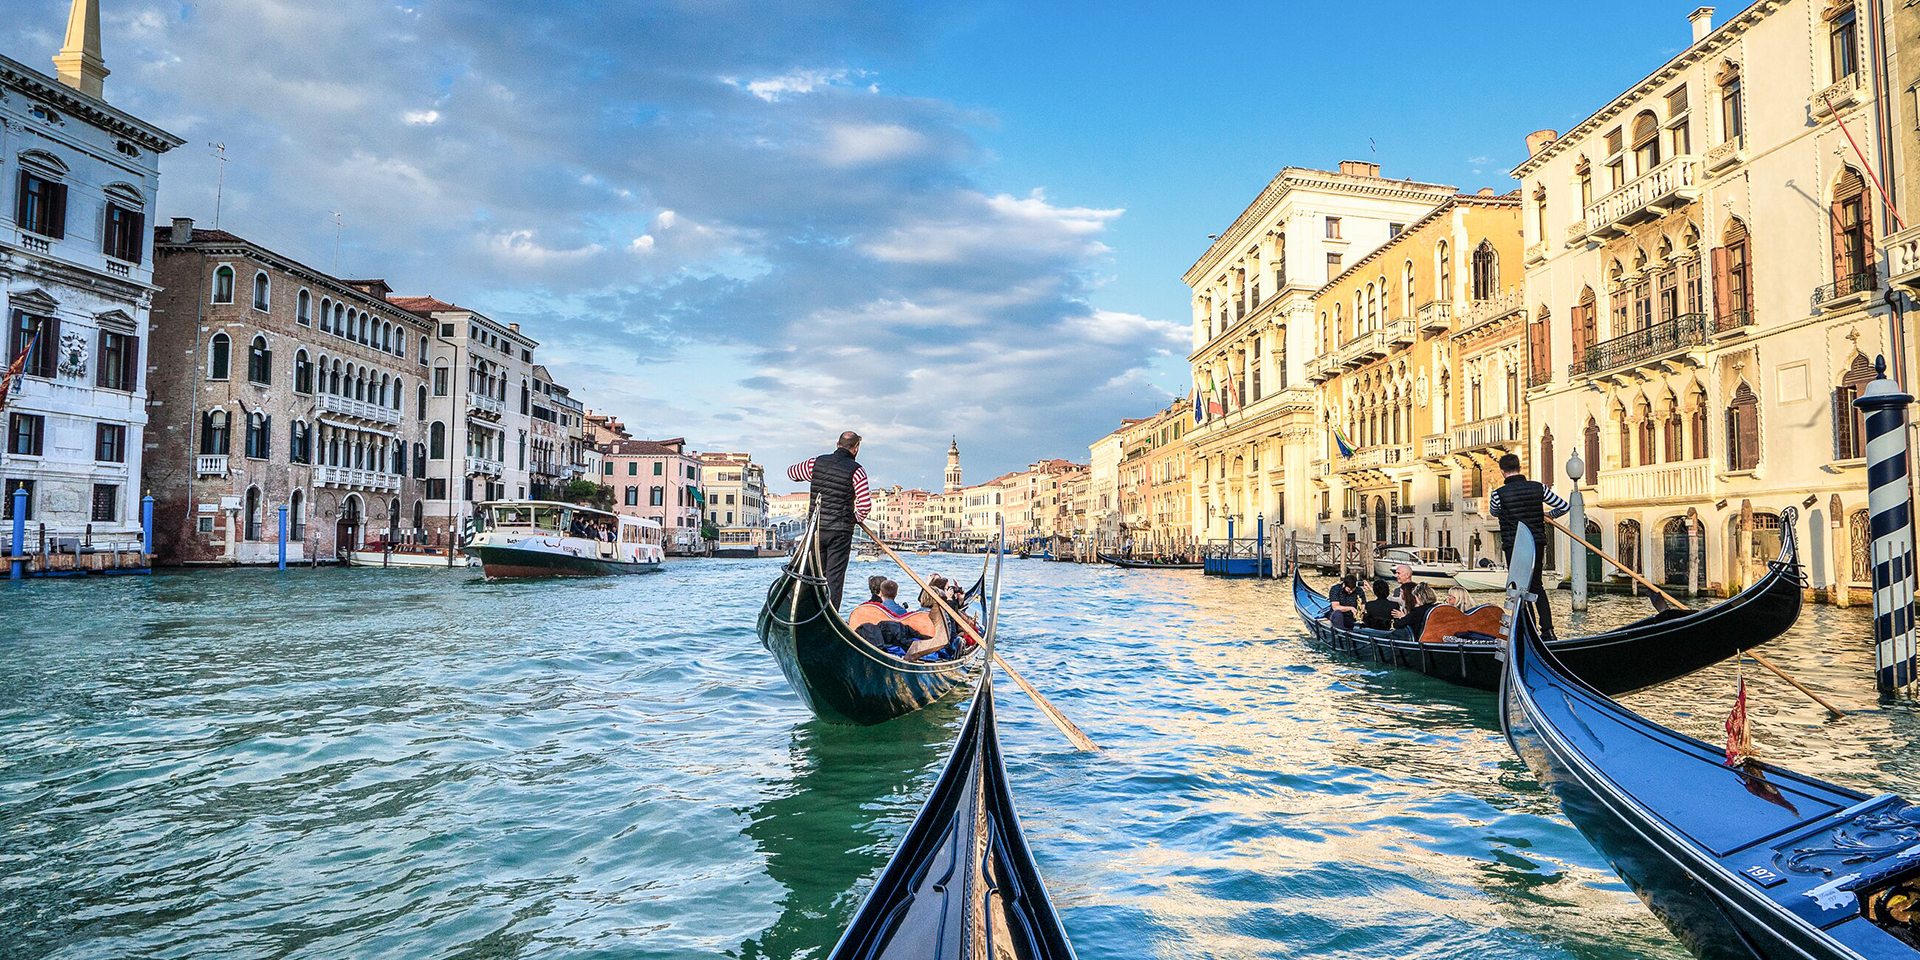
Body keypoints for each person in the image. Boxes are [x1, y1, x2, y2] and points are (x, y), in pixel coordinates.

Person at [786, 431, 873, 608]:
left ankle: (805, 608)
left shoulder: (816, 462)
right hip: (840, 531)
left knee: (813, 572)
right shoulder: (857, 470)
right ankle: (829, 613)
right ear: (856, 449)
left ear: (837, 445)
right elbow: (864, 505)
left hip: (816, 529)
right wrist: (854, 518)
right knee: (834, 578)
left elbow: (792, 473)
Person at [1488, 451, 1569, 640]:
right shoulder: (1538, 488)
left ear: (1502, 472)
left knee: (1518, 588)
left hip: (1514, 545)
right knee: (1536, 586)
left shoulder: (1498, 494)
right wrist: (1550, 515)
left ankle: (1528, 630)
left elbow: (1494, 511)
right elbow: (1563, 506)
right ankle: (1547, 630)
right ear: (1520, 468)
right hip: (1536, 542)